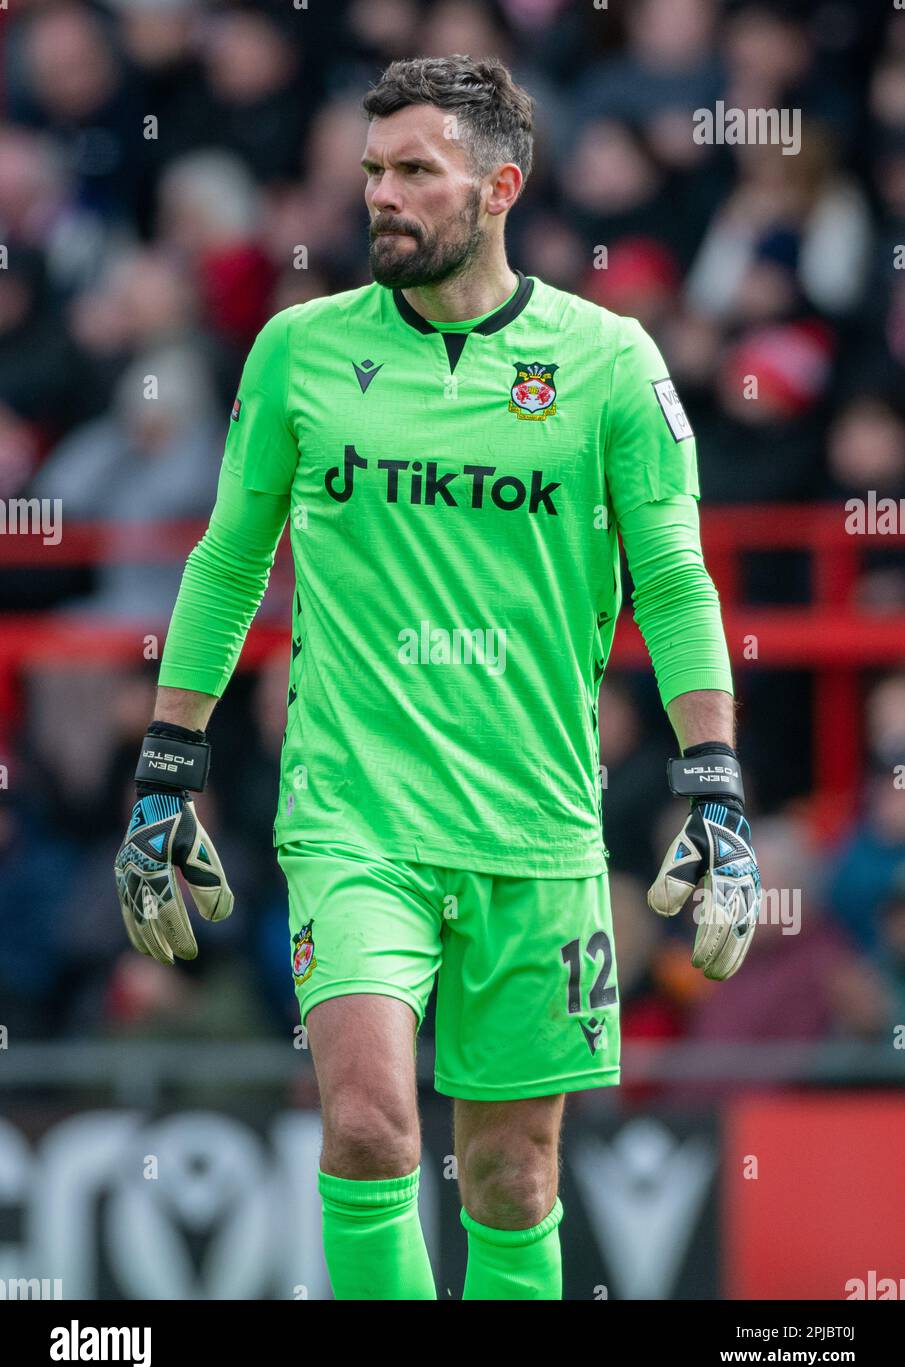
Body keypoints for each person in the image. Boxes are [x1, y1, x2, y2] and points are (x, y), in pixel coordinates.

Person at [113, 54, 761, 1301]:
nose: (382, 197)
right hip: (354, 815)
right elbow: (227, 561)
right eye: (371, 171)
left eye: (416, 170)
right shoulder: (297, 352)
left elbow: (673, 586)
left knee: (511, 1177)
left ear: (500, 186)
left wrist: (715, 785)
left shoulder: (610, 363)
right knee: (366, 1125)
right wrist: (165, 770)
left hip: (537, 822)